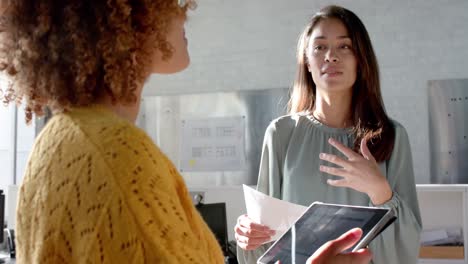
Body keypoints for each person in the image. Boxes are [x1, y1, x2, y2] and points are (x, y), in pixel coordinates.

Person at [0, 1, 372, 263]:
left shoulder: (54, 143)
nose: (184, 12)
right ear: (127, 15)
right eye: (172, 2)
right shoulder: (118, 154)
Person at [235, 5, 422, 264]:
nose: (331, 56)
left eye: (344, 46)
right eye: (320, 47)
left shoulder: (392, 136)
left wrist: (380, 191)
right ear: (307, 62)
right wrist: (249, 236)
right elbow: (262, 247)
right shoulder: (281, 133)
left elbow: (407, 248)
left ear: (361, 60)